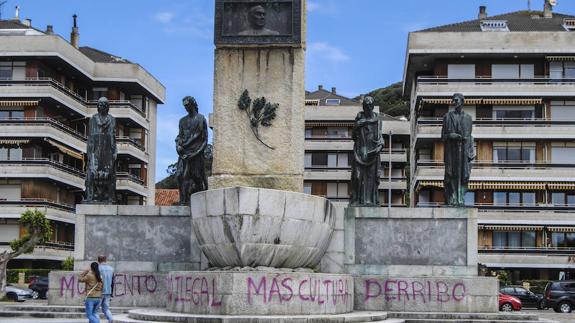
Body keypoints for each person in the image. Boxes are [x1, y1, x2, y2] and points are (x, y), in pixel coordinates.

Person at [441, 93, 475, 206]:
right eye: (453, 101)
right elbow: (443, 136)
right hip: (451, 151)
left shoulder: (468, 118)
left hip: (464, 151)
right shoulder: (447, 117)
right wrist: (451, 135)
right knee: (451, 174)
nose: (454, 102)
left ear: (462, 101)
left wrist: (470, 150)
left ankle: (460, 197)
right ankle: (453, 197)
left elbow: (470, 136)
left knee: (463, 174)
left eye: (456, 100)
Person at [350, 96, 384, 206]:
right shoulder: (359, 117)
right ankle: (356, 199)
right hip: (360, 152)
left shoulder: (377, 119)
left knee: (371, 178)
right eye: (366, 106)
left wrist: (380, 146)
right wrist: (357, 125)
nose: (368, 108)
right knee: (357, 176)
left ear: (373, 107)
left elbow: (380, 137)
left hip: (373, 153)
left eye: (370, 106)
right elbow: (353, 137)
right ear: (363, 107)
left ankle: (369, 200)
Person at [175, 96, 208, 205]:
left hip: (196, 153)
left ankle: (202, 200)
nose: (186, 108)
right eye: (184, 106)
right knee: (180, 175)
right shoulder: (182, 121)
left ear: (193, 104)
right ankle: (183, 201)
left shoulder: (201, 119)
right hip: (184, 153)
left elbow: (205, 141)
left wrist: (196, 153)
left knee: (197, 176)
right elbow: (180, 136)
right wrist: (178, 145)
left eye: (188, 105)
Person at [85, 97, 117, 204]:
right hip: (95, 149)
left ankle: (110, 197)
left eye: (104, 104)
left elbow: (113, 137)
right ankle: (90, 196)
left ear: (107, 107)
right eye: (100, 104)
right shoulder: (93, 119)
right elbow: (89, 138)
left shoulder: (112, 119)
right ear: (97, 106)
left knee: (110, 174)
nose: (101, 106)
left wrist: (115, 151)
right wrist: (89, 153)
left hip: (107, 150)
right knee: (92, 172)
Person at [97, 255, 114, 323]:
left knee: (96, 310)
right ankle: (110, 319)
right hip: (108, 292)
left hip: (99, 292)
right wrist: (111, 294)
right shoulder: (111, 269)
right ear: (106, 260)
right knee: (106, 309)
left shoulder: (97, 268)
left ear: (98, 260)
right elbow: (113, 282)